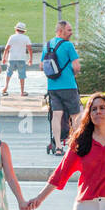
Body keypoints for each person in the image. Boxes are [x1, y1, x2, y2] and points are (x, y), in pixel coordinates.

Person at [43, 20, 82, 155]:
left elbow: (42, 66)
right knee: (75, 115)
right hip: (69, 85)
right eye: (68, 30)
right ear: (60, 30)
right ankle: (76, 145)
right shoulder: (68, 46)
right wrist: (74, 74)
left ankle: (58, 146)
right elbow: (76, 66)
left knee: (56, 115)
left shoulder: (47, 45)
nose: (71, 33)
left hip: (53, 87)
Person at [2, 22, 34, 97]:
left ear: (16, 29)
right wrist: (30, 59)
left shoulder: (12, 37)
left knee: (8, 73)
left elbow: (6, 48)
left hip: (12, 58)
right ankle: (22, 92)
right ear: (23, 31)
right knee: (22, 75)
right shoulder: (26, 38)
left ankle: (5, 87)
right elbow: (30, 49)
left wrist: (4, 57)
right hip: (21, 58)